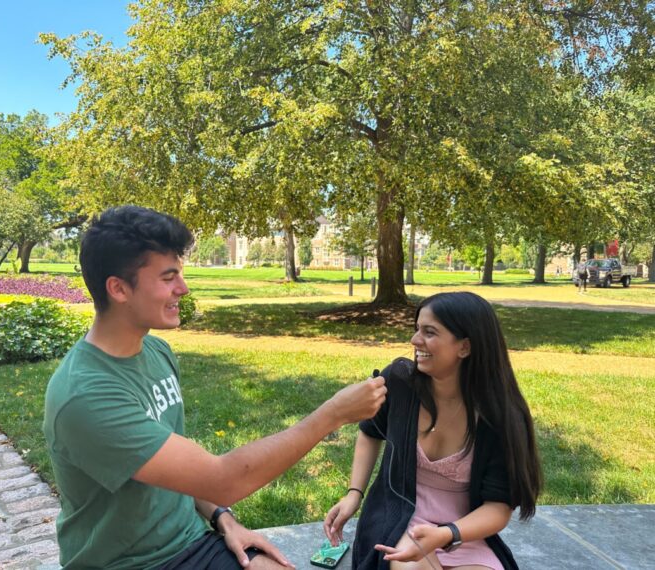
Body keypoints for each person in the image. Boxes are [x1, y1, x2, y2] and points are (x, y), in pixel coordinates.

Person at [43, 206, 387, 570]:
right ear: (118, 288)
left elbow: (180, 471)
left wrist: (224, 518)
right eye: (168, 277)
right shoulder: (86, 396)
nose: (183, 288)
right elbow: (223, 479)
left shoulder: (157, 352)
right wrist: (333, 415)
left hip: (190, 542)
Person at [323, 292, 542, 570]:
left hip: (462, 535)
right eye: (417, 329)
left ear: (464, 347)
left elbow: (499, 508)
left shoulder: (501, 417)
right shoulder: (399, 382)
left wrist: (447, 533)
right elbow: (370, 431)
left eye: (429, 332)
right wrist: (354, 493)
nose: (415, 340)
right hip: (398, 523)